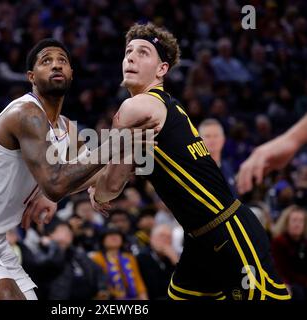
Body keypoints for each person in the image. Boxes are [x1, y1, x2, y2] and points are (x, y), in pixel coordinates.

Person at [0, 38, 155, 300]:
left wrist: (131, 156)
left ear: (71, 73)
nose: (56, 65)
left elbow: (92, 178)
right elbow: (56, 185)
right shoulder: (25, 113)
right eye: (46, 61)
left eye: (62, 61)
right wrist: (114, 144)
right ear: (31, 76)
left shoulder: (68, 129)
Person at [89, 23, 290, 300]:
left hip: (229, 231)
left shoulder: (137, 106)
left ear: (162, 70)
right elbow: (116, 175)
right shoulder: (165, 108)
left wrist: (94, 190)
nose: (131, 57)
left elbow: (110, 185)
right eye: (128, 51)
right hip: (201, 239)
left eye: (144, 52)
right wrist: (96, 184)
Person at [237, 114, 307, 194]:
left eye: (264, 127)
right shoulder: (254, 140)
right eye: (261, 128)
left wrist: (292, 139)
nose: (263, 130)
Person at [271, 205, 307, 300]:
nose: (297, 224)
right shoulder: (278, 242)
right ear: (286, 223)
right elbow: (280, 271)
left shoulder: (304, 242)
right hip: (288, 284)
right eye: (294, 220)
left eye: (301, 221)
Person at [198, 118, 238, 197]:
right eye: (207, 136)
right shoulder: (194, 168)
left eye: (216, 136)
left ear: (223, 139)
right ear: (199, 140)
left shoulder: (228, 166)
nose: (212, 140)